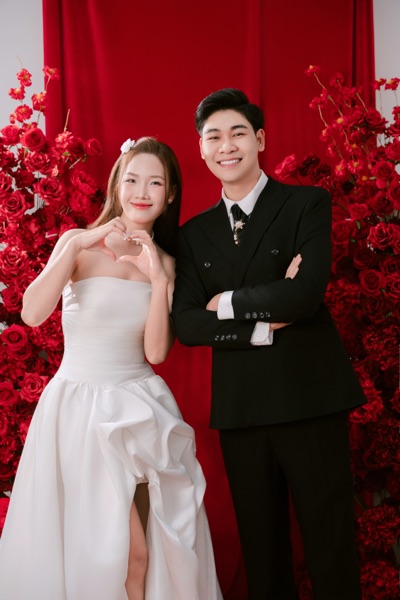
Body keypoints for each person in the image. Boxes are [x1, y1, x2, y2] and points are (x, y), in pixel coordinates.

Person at [0, 137, 222, 600]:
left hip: (137, 410)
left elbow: (156, 352)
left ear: (170, 194)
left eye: (155, 183)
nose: (142, 192)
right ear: (117, 184)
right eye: (132, 179)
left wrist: (157, 276)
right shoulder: (77, 244)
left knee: (139, 555)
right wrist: (77, 244)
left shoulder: (167, 264)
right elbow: (32, 313)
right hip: (77, 410)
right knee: (100, 549)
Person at [171, 89, 365, 600]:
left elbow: (303, 295)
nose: (226, 146)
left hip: (311, 397)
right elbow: (187, 324)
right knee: (263, 555)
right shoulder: (193, 235)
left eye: (238, 133)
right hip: (242, 410)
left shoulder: (305, 203)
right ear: (201, 149)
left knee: (330, 545)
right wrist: (261, 323)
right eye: (214, 137)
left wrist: (225, 302)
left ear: (259, 139)